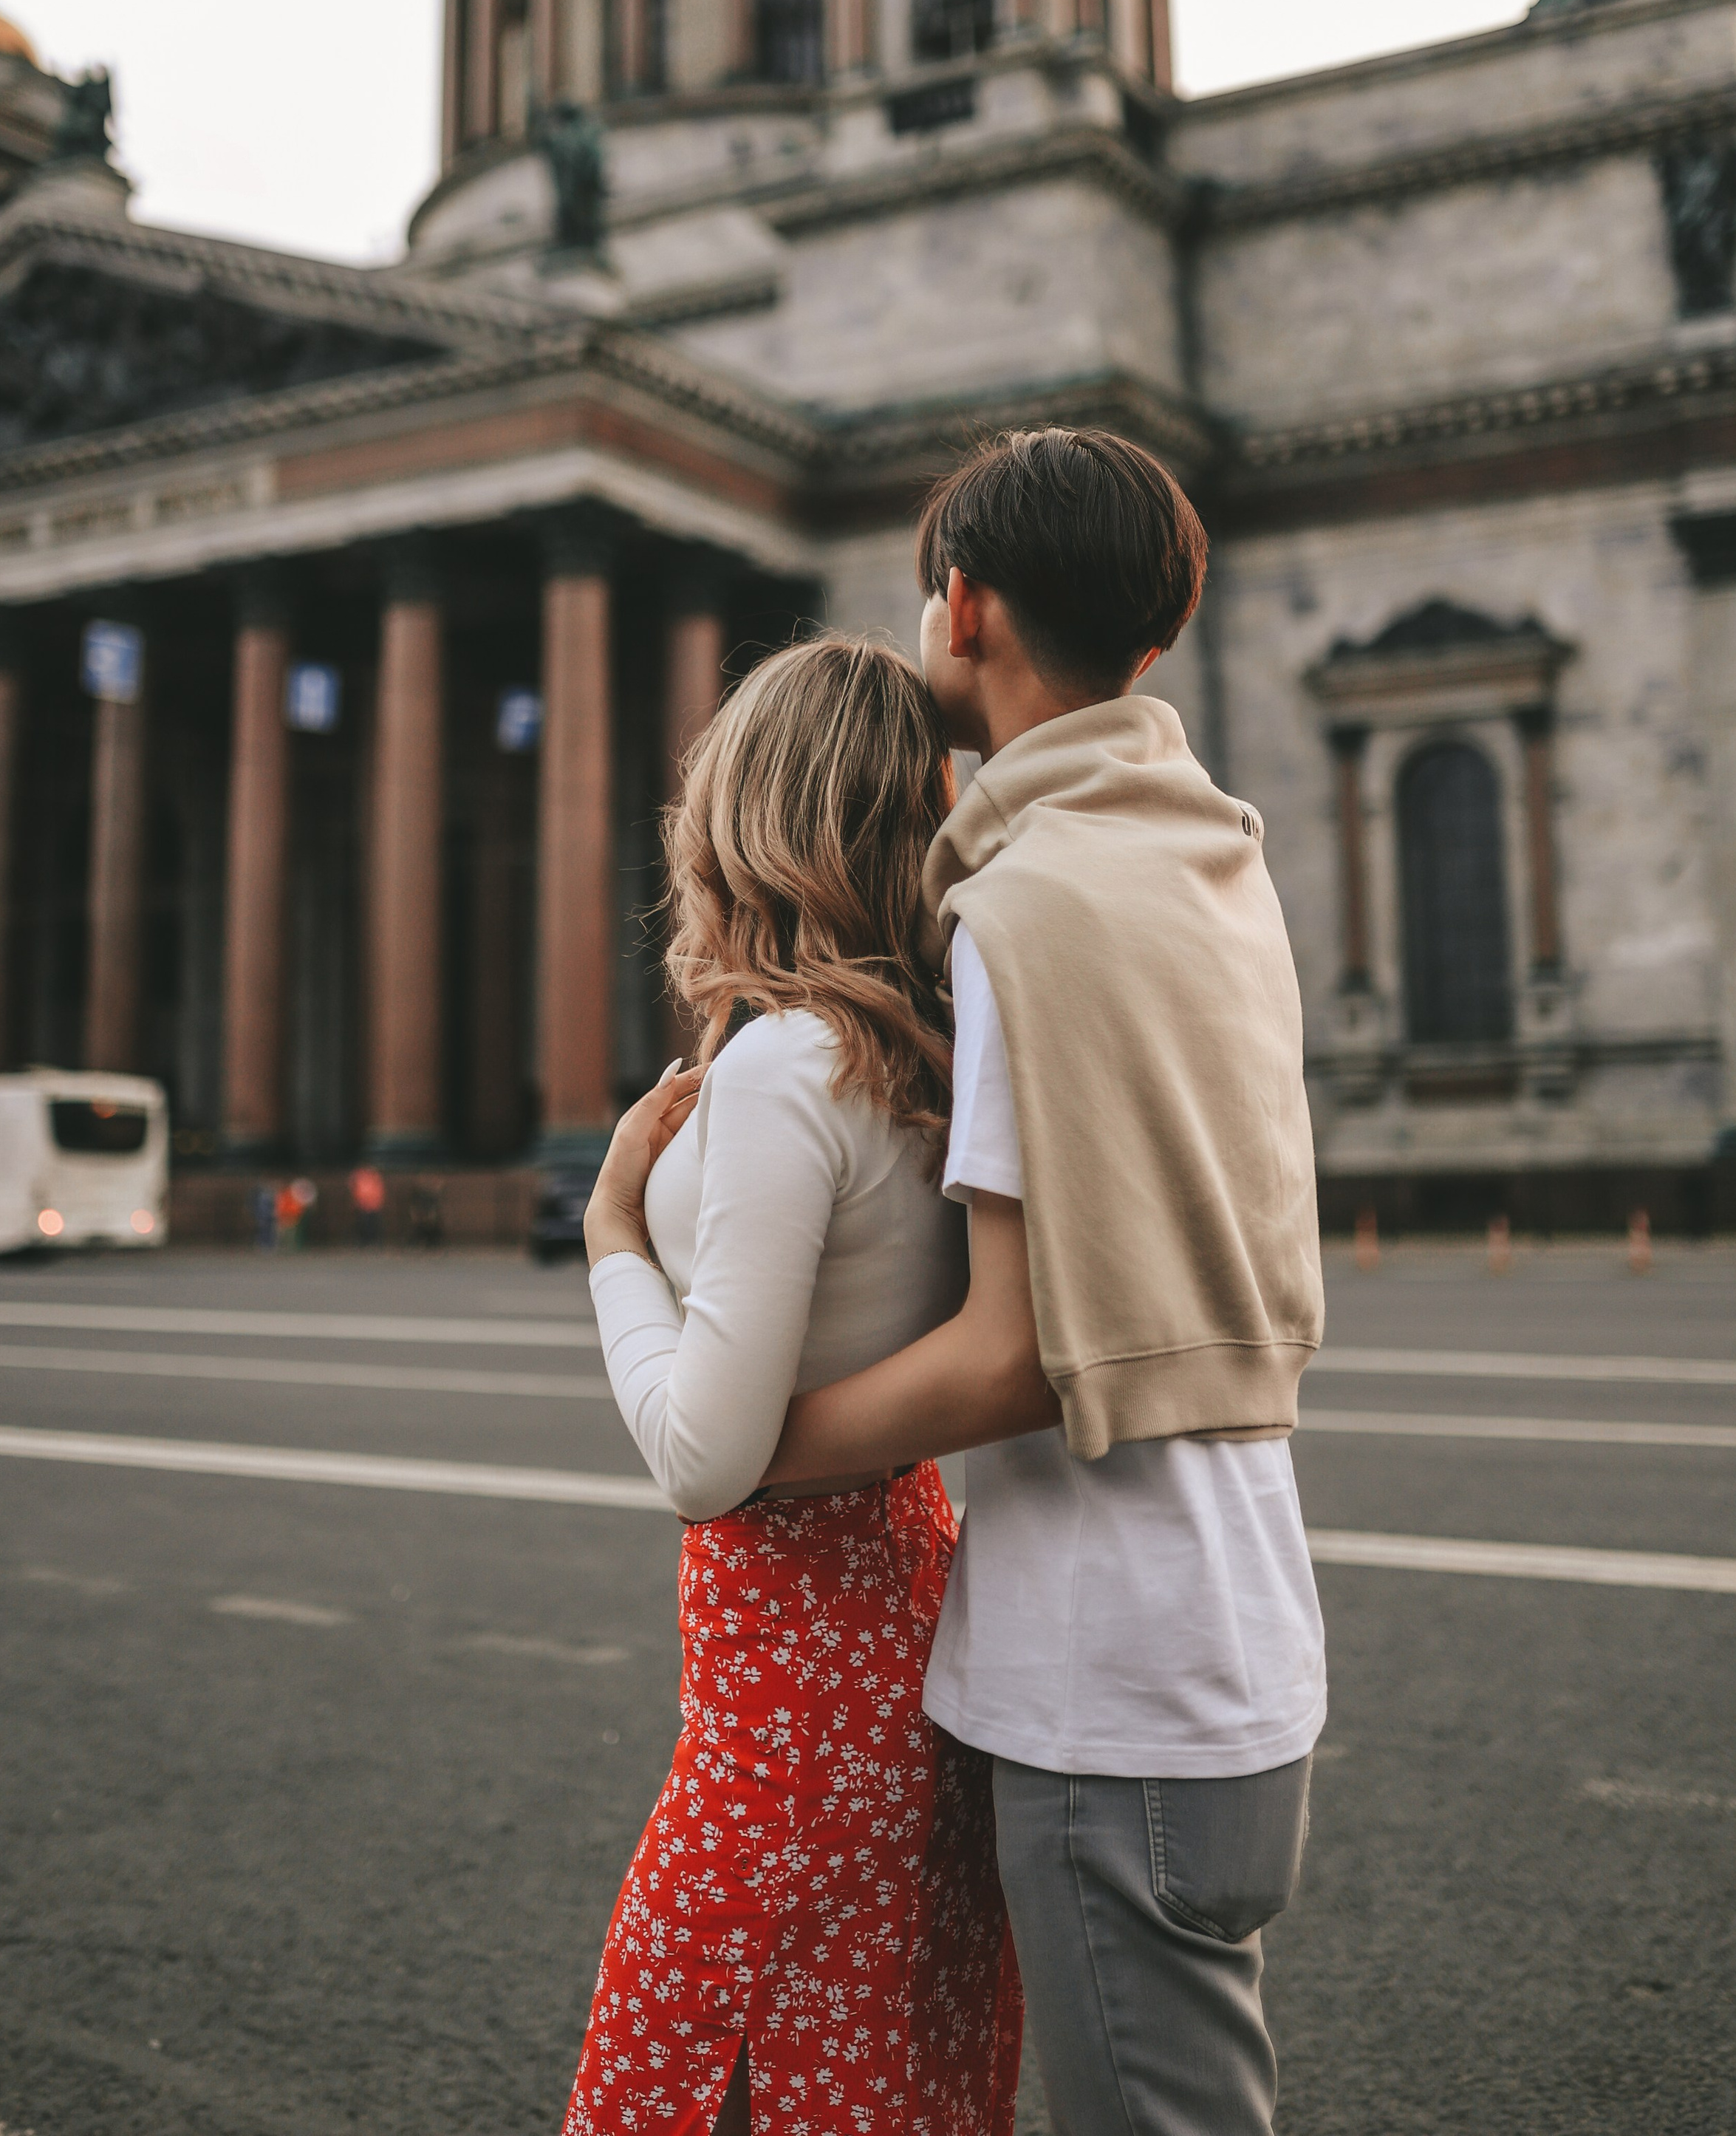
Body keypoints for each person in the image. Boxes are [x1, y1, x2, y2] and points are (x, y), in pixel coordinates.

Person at [765, 429, 1328, 2136]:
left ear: (964, 602)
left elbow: (1013, 1357)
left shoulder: (1021, 910)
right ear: (1151, 639)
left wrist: (751, 1446)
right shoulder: (1203, 859)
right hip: (1238, 1635)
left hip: (1107, 1686)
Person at [565, 636, 1023, 2136]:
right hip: (904, 1603)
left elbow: (703, 1455)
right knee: (866, 2054)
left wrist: (611, 1239)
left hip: (789, 1668)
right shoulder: (918, 1050)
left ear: (744, 811)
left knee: (671, 2063)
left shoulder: (785, 1068)